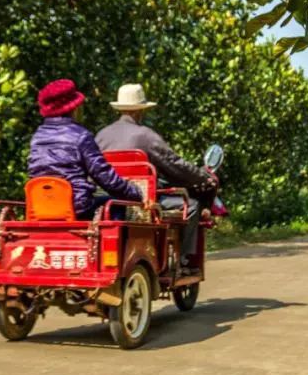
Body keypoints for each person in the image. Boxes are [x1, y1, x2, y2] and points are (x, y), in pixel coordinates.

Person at [95, 84, 218, 273]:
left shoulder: (101, 136)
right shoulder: (145, 135)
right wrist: (201, 177)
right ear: (140, 111)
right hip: (143, 199)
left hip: (108, 198)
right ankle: (182, 262)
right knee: (191, 206)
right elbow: (173, 164)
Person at [27, 79, 143, 220]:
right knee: (116, 204)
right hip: (77, 208)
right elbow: (104, 177)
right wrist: (135, 193)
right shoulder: (80, 136)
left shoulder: (37, 137)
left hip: (41, 209)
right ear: (74, 108)